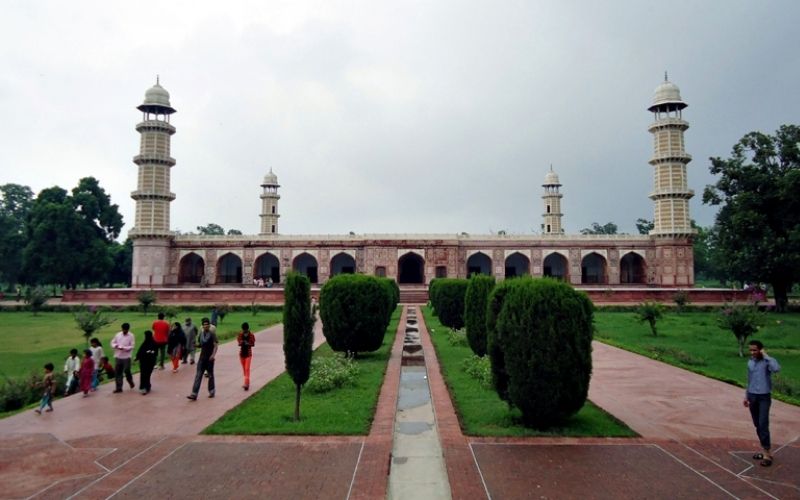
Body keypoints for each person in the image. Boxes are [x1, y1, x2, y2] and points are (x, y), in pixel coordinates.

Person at [744, 340, 781, 467]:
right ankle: (764, 449)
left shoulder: (767, 362)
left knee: (763, 423)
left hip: (764, 397)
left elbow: (776, 369)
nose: (752, 352)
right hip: (752, 396)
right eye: (751, 350)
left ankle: (767, 452)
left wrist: (766, 355)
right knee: (757, 424)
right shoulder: (750, 362)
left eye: (755, 350)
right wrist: (746, 396)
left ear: (760, 349)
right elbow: (749, 380)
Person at [187, 317, 218, 401]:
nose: (206, 326)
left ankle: (212, 391)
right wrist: (195, 345)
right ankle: (194, 394)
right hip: (202, 358)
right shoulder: (201, 334)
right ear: (202, 326)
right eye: (204, 325)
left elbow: (215, 345)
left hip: (209, 358)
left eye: (207, 325)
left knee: (210, 375)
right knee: (198, 375)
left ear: (209, 325)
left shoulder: (212, 334)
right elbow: (200, 345)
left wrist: (213, 355)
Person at [111, 323, 136, 393]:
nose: (124, 331)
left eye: (126, 330)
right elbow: (113, 342)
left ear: (128, 329)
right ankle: (119, 387)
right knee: (118, 372)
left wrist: (124, 348)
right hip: (118, 356)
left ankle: (130, 381)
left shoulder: (131, 336)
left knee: (127, 370)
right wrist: (115, 346)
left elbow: (132, 346)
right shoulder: (118, 335)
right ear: (122, 329)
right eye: (123, 329)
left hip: (127, 357)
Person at [136, 330, 158, 395]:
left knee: (147, 375)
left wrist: (150, 352)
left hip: (150, 362)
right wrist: (137, 357)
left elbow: (155, 352)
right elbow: (140, 350)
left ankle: (146, 386)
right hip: (143, 362)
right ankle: (143, 387)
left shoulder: (154, 343)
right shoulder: (144, 343)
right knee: (143, 374)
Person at [237, 322, 255, 391]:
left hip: (248, 354)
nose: (245, 331)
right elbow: (239, 343)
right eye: (244, 330)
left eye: (246, 330)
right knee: (244, 369)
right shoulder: (240, 334)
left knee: (247, 368)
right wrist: (241, 342)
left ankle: (246, 384)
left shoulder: (251, 335)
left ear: (247, 328)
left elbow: (253, 344)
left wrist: (248, 343)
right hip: (242, 354)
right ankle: (247, 381)